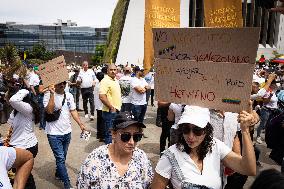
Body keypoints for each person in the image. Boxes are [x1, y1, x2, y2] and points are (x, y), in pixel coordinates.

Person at [151, 105, 256, 189]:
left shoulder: (216, 146)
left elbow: (248, 169)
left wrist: (245, 131)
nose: (191, 136)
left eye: (197, 130)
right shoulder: (170, 156)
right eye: (186, 129)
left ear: (206, 130)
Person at [77, 112, 153, 188]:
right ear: (113, 134)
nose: (132, 142)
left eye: (137, 136)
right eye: (125, 136)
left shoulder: (142, 159)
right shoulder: (94, 161)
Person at [44, 81, 87, 189]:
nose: (62, 85)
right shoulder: (48, 95)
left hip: (67, 132)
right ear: (54, 84)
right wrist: (52, 94)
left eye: (64, 83)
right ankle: (67, 184)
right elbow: (49, 111)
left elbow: (73, 111)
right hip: (53, 134)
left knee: (63, 156)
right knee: (60, 159)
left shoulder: (69, 95)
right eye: (59, 83)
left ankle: (58, 174)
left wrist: (80, 124)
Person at [8, 88, 40, 189]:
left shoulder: (27, 108)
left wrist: (24, 90)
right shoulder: (16, 110)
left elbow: (13, 100)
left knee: (23, 177)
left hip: (25, 146)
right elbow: (12, 127)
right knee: (23, 175)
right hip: (17, 145)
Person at [99, 64, 122, 144]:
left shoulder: (115, 80)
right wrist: (111, 107)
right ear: (107, 71)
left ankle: (114, 151)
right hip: (109, 112)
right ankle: (109, 153)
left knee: (115, 133)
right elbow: (102, 96)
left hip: (116, 111)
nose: (113, 71)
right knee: (109, 134)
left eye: (115, 70)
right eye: (111, 70)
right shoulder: (105, 81)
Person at [94, 72, 104, 142]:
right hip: (102, 106)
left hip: (98, 106)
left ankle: (99, 134)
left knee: (99, 121)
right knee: (103, 122)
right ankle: (101, 136)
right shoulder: (101, 85)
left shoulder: (97, 84)